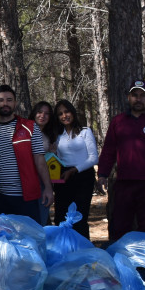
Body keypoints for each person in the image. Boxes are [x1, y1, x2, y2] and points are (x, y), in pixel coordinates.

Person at [97, 79, 145, 243]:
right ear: (128, 98)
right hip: (124, 184)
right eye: (135, 95)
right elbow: (109, 149)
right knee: (120, 225)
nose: (138, 99)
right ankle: (121, 261)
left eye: (142, 95)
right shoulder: (118, 122)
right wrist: (103, 173)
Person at [0, 85, 54, 221]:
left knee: (28, 240)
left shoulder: (30, 127)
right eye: (0, 100)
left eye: (9, 100)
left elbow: (40, 160)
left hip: (26, 199)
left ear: (15, 103)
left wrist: (48, 188)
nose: (5, 103)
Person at [52, 100, 98, 238]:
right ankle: (64, 251)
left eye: (67, 112)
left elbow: (93, 158)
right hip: (63, 177)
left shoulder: (85, 131)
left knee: (79, 217)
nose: (64, 116)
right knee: (61, 215)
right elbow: (58, 158)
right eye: (60, 114)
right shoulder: (58, 135)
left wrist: (75, 170)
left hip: (83, 177)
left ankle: (82, 251)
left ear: (72, 112)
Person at [31, 101, 57, 223]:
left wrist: (52, 153)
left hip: (44, 180)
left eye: (46, 113)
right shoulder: (26, 131)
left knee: (42, 214)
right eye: (40, 112)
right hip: (29, 179)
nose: (42, 116)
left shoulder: (48, 135)